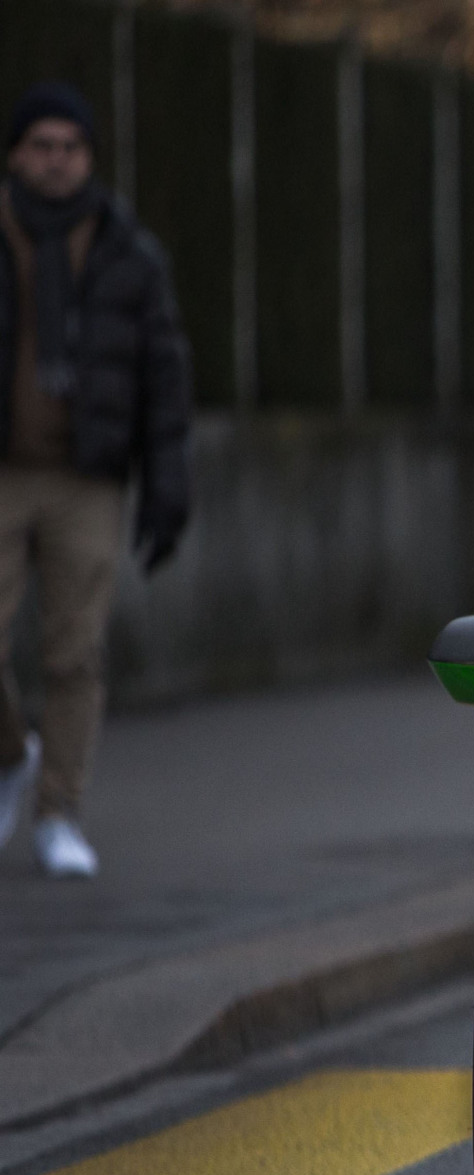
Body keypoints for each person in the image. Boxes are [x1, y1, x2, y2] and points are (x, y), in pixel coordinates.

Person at [0, 81, 191, 879]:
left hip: (89, 477)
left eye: (70, 147)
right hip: (5, 468)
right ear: (16, 154)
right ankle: (14, 754)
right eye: (41, 145)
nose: (55, 161)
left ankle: (58, 812)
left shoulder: (126, 251)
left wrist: (167, 482)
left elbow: (163, 369)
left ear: (90, 157)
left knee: (75, 654)